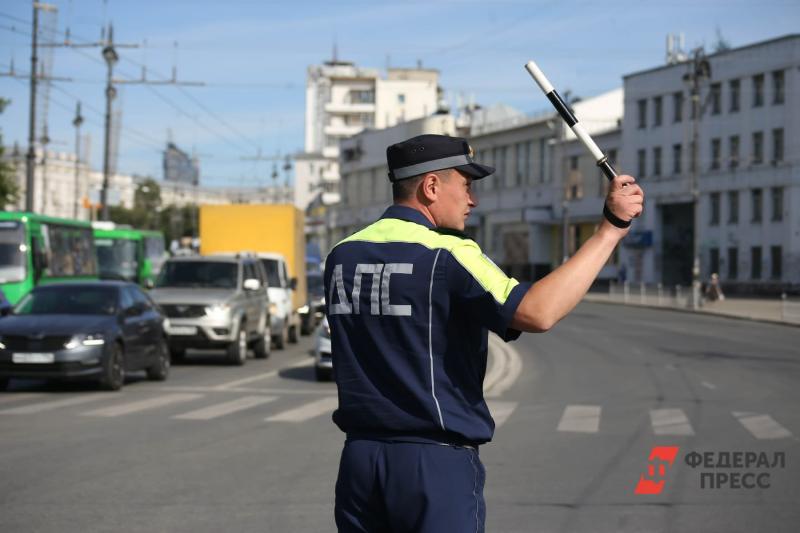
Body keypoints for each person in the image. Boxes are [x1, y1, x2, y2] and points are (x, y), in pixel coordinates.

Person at [323, 134, 644, 532]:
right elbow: (538, 312)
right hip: (433, 466)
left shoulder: (343, 255)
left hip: (359, 462)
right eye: (466, 185)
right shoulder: (448, 252)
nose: (472, 200)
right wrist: (610, 229)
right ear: (431, 187)